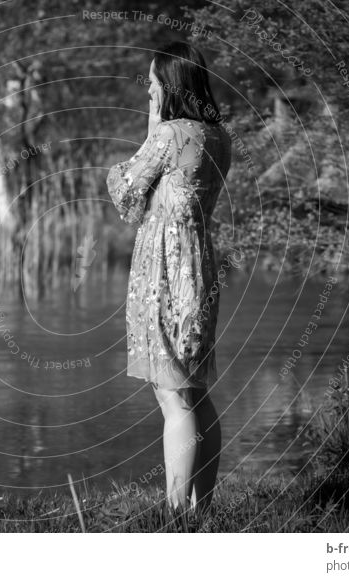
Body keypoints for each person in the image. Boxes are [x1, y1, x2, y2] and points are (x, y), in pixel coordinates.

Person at [106, 41, 232, 514]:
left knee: (172, 396)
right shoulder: (218, 135)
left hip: (164, 267)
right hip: (198, 265)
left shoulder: (171, 135)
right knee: (195, 392)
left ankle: (175, 514)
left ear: (172, 85)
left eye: (155, 82)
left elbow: (126, 193)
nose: (150, 91)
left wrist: (151, 127)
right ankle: (206, 509)